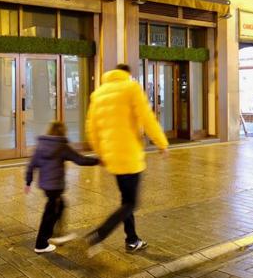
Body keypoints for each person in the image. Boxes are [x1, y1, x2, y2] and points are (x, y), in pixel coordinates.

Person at [85, 63, 168, 256]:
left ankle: (132, 240)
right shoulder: (131, 88)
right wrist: (162, 143)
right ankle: (100, 233)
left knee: (126, 201)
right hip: (130, 156)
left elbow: (91, 128)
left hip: (113, 158)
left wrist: (101, 153)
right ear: (127, 74)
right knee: (131, 203)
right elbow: (147, 118)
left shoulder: (98, 94)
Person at [25, 121, 100, 254]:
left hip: (46, 186)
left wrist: (28, 182)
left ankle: (57, 234)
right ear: (62, 132)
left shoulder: (41, 145)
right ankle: (41, 244)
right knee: (50, 213)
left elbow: (31, 165)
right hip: (55, 186)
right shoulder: (62, 146)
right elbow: (80, 160)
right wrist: (98, 160)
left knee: (60, 205)